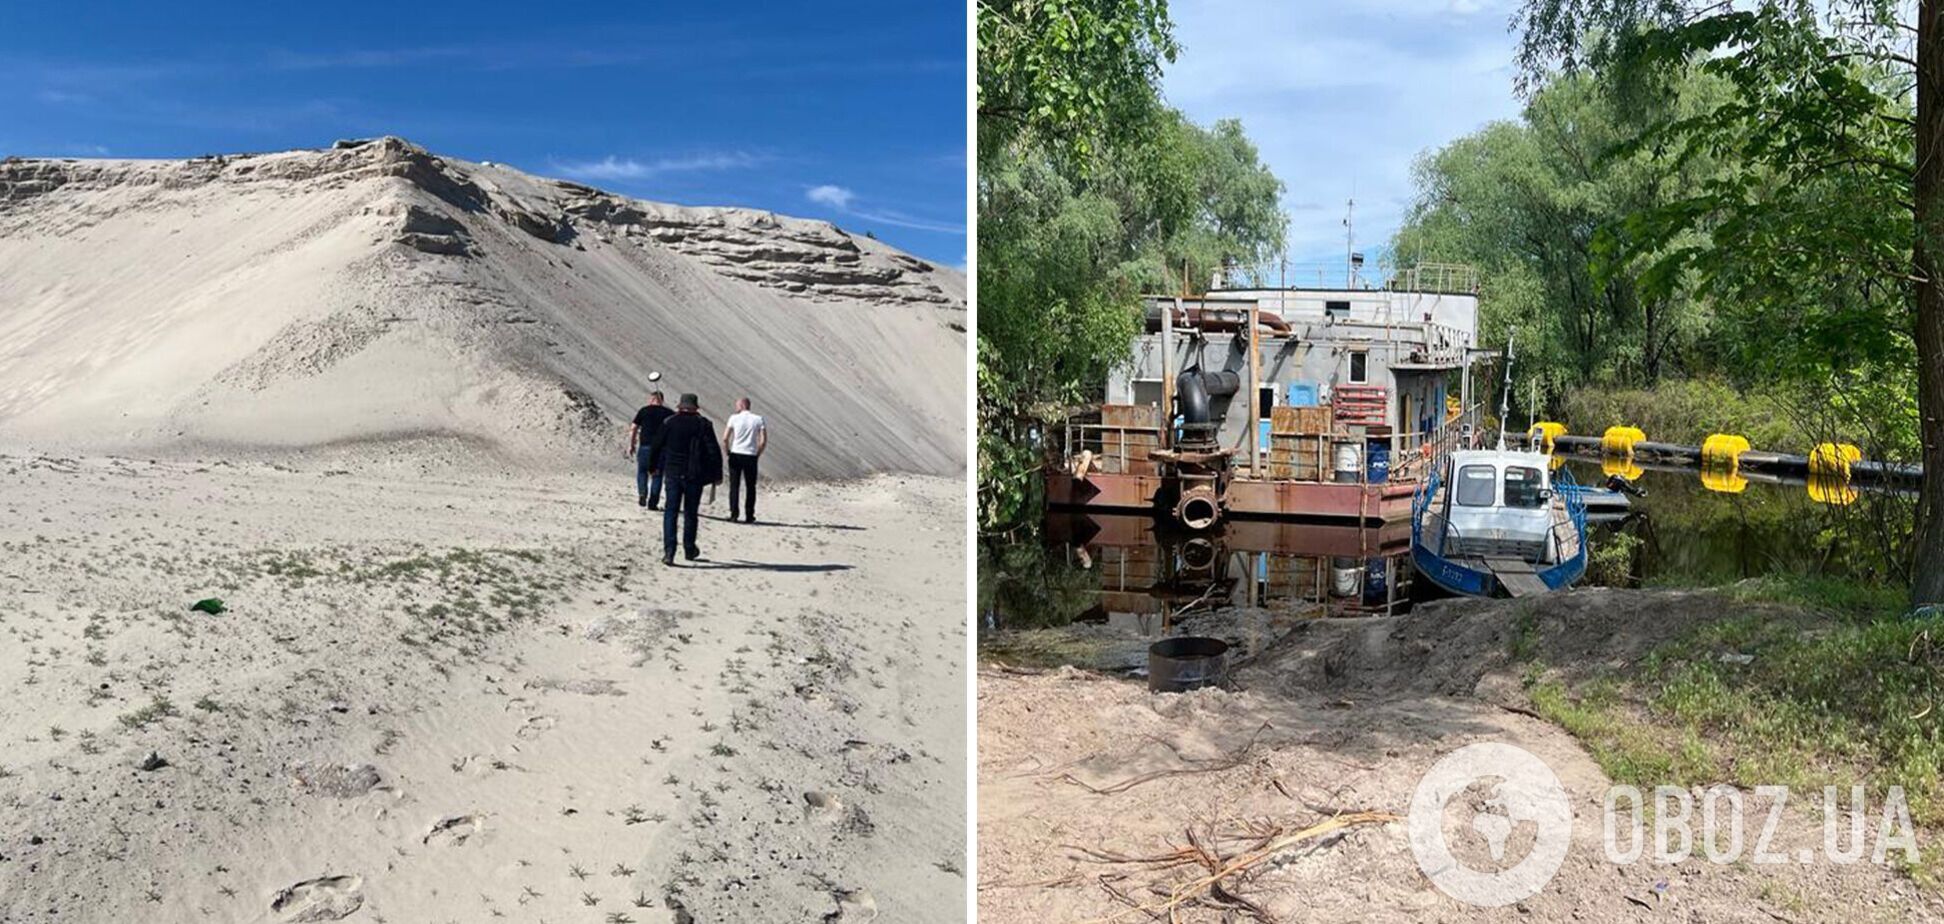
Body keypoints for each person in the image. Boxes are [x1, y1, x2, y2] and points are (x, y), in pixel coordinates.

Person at [648, 393, 723, 565]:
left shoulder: (669, 422)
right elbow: (713, 450)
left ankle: (669, 552)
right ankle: (689, 549)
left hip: (673, 474)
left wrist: (652, 467)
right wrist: (716, 475)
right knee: (690, 513)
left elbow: (656, 446)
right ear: (696, 407)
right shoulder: (703, 424)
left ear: (679, 406)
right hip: (694, 475)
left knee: (671, 512)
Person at [722, 397, 767, 523]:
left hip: (736, 453)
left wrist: (727, 452)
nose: (736, 407)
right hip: (751, 455)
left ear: (741, 405)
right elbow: (763, 441)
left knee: (734, 486)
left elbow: (725, 438)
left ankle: (734, 514)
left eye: (737, 405)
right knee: (750, 486)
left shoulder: (733, 418)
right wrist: (758, 454)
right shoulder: (758, 419)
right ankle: (749, 515)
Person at [628, 391, 675, 508]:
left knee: (642, 471)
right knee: (657, 475)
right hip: (661, 449)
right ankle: (653, 502)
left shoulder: (644, 410)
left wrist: (631, 444)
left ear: (652, 399)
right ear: (662, 400)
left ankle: (642, 494)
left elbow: (633, 428)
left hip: (645, 446)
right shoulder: (669, 413)